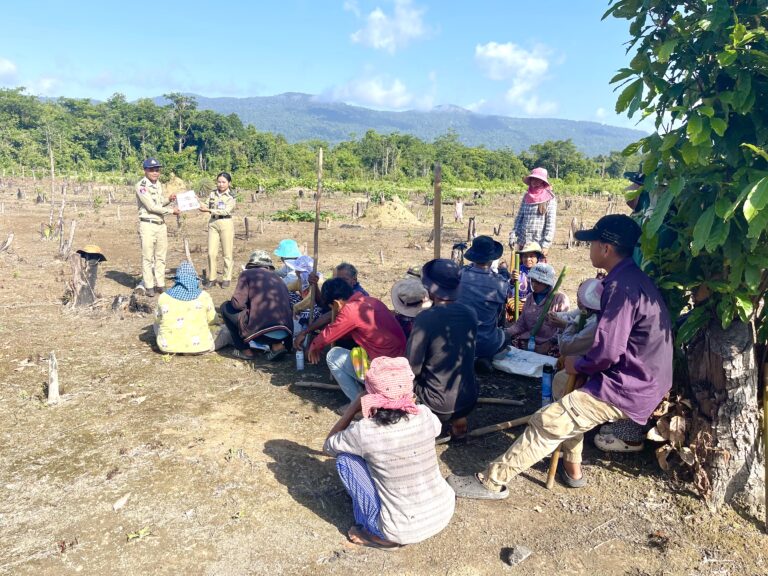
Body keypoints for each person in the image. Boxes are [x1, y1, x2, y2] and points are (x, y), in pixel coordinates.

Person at [447, 214, 672, 498]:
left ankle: (491, 481)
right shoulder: (629, 278)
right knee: (562, 384)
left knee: (548, 421)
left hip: (630, 384)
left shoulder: (620, 288)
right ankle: (572, 466)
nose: (589, 249)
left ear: (606, 248)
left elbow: (609, 351)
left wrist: (582, 364)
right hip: (636, 375)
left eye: (592, 243)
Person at [323, 356, 455, 549]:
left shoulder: (365, 430)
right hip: (442, 512)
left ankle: (378, 536)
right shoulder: (426, 415)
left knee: (345, 459)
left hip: (399, 530)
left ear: (369, 393)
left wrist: (352, 408)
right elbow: (434, 429)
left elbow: (328, 446)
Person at [407, 259, 478, 441]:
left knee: (405, 380)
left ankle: (429, 421)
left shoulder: (425, 319)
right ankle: (459, 420)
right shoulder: (470, 313)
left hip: (437, 404)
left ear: (431, 289)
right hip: (469, 399)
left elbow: (412, 368)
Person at [307, 278, 406, 402]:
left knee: (333, 355)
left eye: (332, 307)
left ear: (336, 303)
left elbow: (328, 334)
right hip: (402, 367)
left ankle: (359, 402)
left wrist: (314, 346)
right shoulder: (372, 301)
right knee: (356, 351)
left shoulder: (350, 310)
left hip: (385, 374)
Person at [221, 250, 293, 361]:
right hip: (285, 332)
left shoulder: (247, 274)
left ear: (251, 264)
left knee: (226, 307)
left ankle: (245, 350)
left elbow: (237, 305)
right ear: (269, 266)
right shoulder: (279, 279)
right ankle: (277, 346)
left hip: (262, 333)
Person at [457, 236, 508, 367]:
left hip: (460, 341)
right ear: (492, 259)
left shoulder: (460, 275)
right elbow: (500, 309)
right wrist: (504, 272)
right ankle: (486, 357)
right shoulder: (500, 283)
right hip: (486, 342)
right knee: (505, 335)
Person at [135, 158, 179, 297]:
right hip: (148, 224)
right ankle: (149, 286)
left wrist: (169, 200)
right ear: (145, 170)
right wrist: (171, 211)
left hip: (160, 225)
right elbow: (151, 207)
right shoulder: (141, 186)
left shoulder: (158, 184)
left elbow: (159, 203)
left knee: (161, 256)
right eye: (152, 170)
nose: (155, 172)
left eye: (157, 170)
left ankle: (160, 284)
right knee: (148, 257)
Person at [505, 262, 570, 354]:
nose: (534, 284)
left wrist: (549, 343)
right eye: (533, 280)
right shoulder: (529, 298)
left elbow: (562, 329)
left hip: (549, 343)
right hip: (528, 340)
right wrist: (506, 333)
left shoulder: (560, 299)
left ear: (547, 283)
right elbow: (520, 324)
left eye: (539, 282)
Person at [153, 261, 217, 354]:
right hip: (201, 347)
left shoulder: (164, 297)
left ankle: (169, 341)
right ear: (195, 280)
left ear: (176, 280)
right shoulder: (204, 296)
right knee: (225, 332)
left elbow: (157, 319)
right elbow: (213, 320)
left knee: (156, 325)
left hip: (167, 348)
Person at [200, 172, 236, 289]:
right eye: (219, 182)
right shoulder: (212, 194)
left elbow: (226, 211)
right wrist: (196, 201)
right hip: (213, 223)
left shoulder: (231, 196)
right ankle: (212, 278)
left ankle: (226, 278)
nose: (221, 184)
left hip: (226, 223)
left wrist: (209, 210)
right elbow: (206, 205)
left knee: (227, 253)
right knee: (211, 253)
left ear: (229, 183)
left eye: (223, 182)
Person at [510, 167, 557, 257]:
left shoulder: (550, 198)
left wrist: (546, 245)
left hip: (538, 243)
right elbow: (519, 218)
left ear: (543, 181)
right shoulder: (526, 196)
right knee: (522, 264)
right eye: (533, 179)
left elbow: (550, 223)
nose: (534, 181)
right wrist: (513, 235)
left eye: (538, 179)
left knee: (536, 265)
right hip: (523, 241)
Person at [499, 241, 544, 321]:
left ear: (537, 258)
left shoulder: (541, 271)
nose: (528, 259)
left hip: (534, 302)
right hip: (518, 300)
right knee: (509, 303)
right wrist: (513, 280)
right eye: (525, 256)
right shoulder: (519, 269)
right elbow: (510, 288)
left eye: (531, 256)